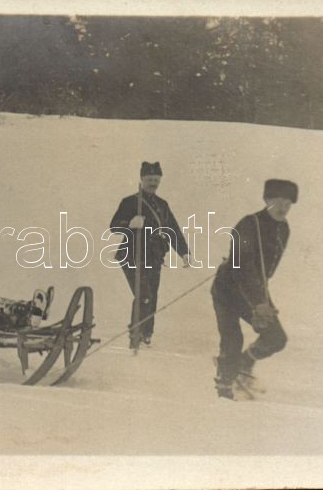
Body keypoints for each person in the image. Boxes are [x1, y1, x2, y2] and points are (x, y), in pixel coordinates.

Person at [210, 179, 297, 399]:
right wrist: (258, 303)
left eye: (288, 202)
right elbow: (242, 268)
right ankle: (225, 389)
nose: (283, 207)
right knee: (232, 340)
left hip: (255, 288)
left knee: (276, 338)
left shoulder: (283, 229)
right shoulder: (249, 225)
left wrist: (261, 299)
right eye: (278, 200)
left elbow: (264, 271)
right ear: (267, 200)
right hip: (227, 289)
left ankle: (243, 364)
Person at [109, 161, 190, 348]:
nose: (153, 183)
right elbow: (114, 226)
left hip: (154, 256)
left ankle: (147, 334)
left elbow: (173, 230)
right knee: (144, 293)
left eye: (156, 179)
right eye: (149, 179)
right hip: (132, 255)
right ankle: (135, 334)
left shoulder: (162, 205)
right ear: (142, 179)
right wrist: (130, 223)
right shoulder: (130, 202)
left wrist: (184, 252)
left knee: (152, 295)